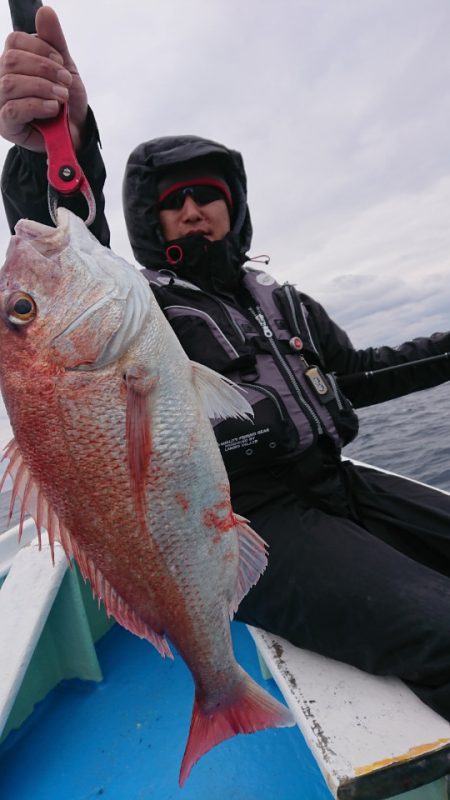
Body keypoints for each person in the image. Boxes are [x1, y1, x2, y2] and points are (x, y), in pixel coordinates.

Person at [1, 8, 450, 722]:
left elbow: (358, 372)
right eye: (171, 202)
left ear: (233, 207)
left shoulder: (281, 303)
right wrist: (51, 146)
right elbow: (67, 225)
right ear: (150, 222)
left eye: (206, 194)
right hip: (250, 520)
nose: (192, 210)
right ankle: (222, 689)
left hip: (341, 486)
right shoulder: (140, 304)